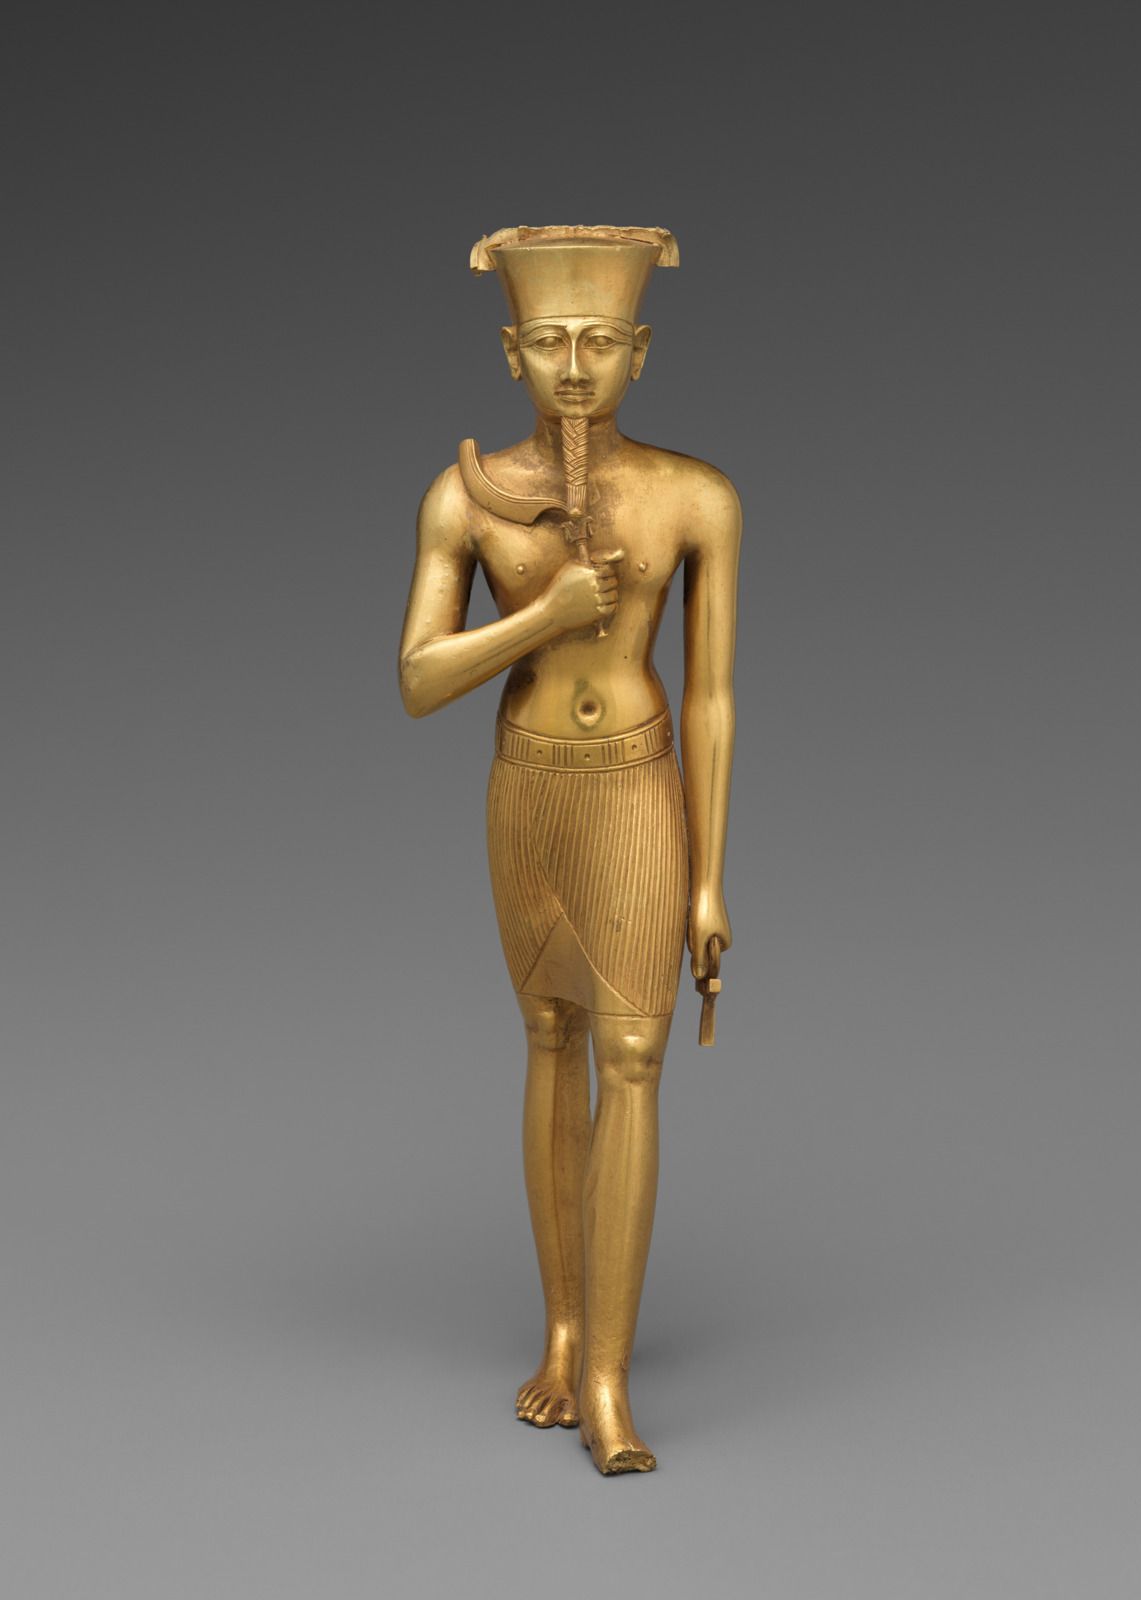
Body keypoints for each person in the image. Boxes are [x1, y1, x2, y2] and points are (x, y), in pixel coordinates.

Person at [399, 225, 739, 1474]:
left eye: (599, 339)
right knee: (550, 1038)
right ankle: (559, 1332)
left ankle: (605, 1376)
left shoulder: (695, 498)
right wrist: (541, 616)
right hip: (530, 788)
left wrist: (708, 876)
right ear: (511, 353)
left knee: (632, 1056)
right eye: (549, 340)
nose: (576, 366)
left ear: (639, 349)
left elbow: (710, 696)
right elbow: (418, 678)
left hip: (637, 789)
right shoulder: (463, 496)